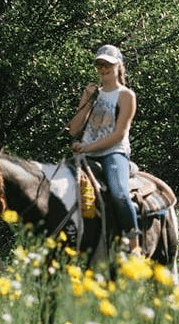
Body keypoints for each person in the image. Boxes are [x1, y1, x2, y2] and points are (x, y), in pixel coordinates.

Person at [67, 44, 141, 254]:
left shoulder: (126, 95)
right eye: (99, 64)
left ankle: (134, 241)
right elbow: (73, 129)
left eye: (108, 64)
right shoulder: (93, 93)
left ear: (119, 65)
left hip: (113, 152)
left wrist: (87, 146)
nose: (103, 68)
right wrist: (86, 100)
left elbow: (119, 134)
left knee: (118, 192)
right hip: (86, 152)